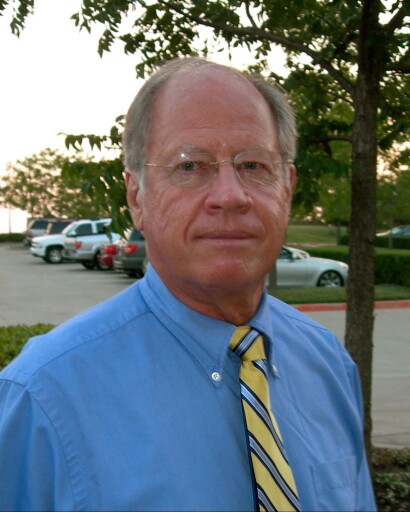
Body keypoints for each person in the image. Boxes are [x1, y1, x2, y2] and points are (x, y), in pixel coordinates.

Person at [0, 57, 375, 511]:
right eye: (189, 166)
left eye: (253, 165)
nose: (230, 196)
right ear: (136, 197)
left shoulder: (329, 365)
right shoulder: (44, 397)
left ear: (287, 187)